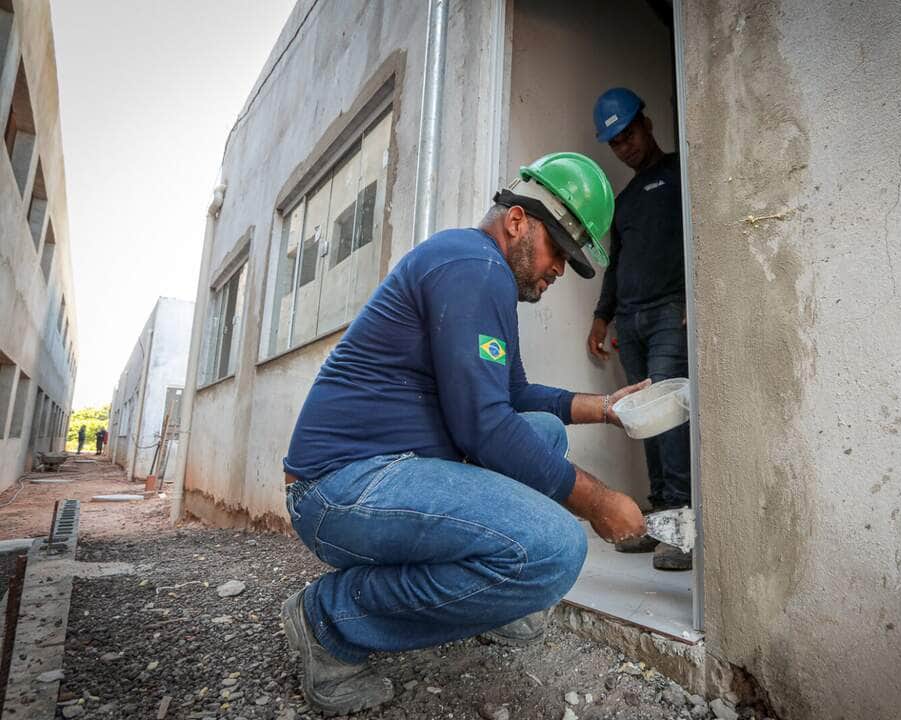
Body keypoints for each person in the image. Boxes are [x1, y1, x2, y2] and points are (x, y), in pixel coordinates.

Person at [281, 152, 649, 715]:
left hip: (385, 470)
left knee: (544, 432)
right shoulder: (473, 267)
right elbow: (484, 425)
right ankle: (330, 619)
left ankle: (498, 603)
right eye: (558, 251)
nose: (559, 270)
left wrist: (605, 408)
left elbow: (513, 394)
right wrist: (598, 501)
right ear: (518, 220)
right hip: (339, 487)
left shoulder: (480, 271)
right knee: (556, 548)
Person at [586, 88, 691, 571]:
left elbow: (702, 234)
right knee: (644, 421)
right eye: (615, 143)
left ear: (646, 125)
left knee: (669, 418)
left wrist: (695, 298)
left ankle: (681, 527)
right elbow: (616, 264)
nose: (625, 147)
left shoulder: (682, 173)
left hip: (671, 312)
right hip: (630, 322)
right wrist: (601, 317)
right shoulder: (624, 202)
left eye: (628, 135)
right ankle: (662, 517)